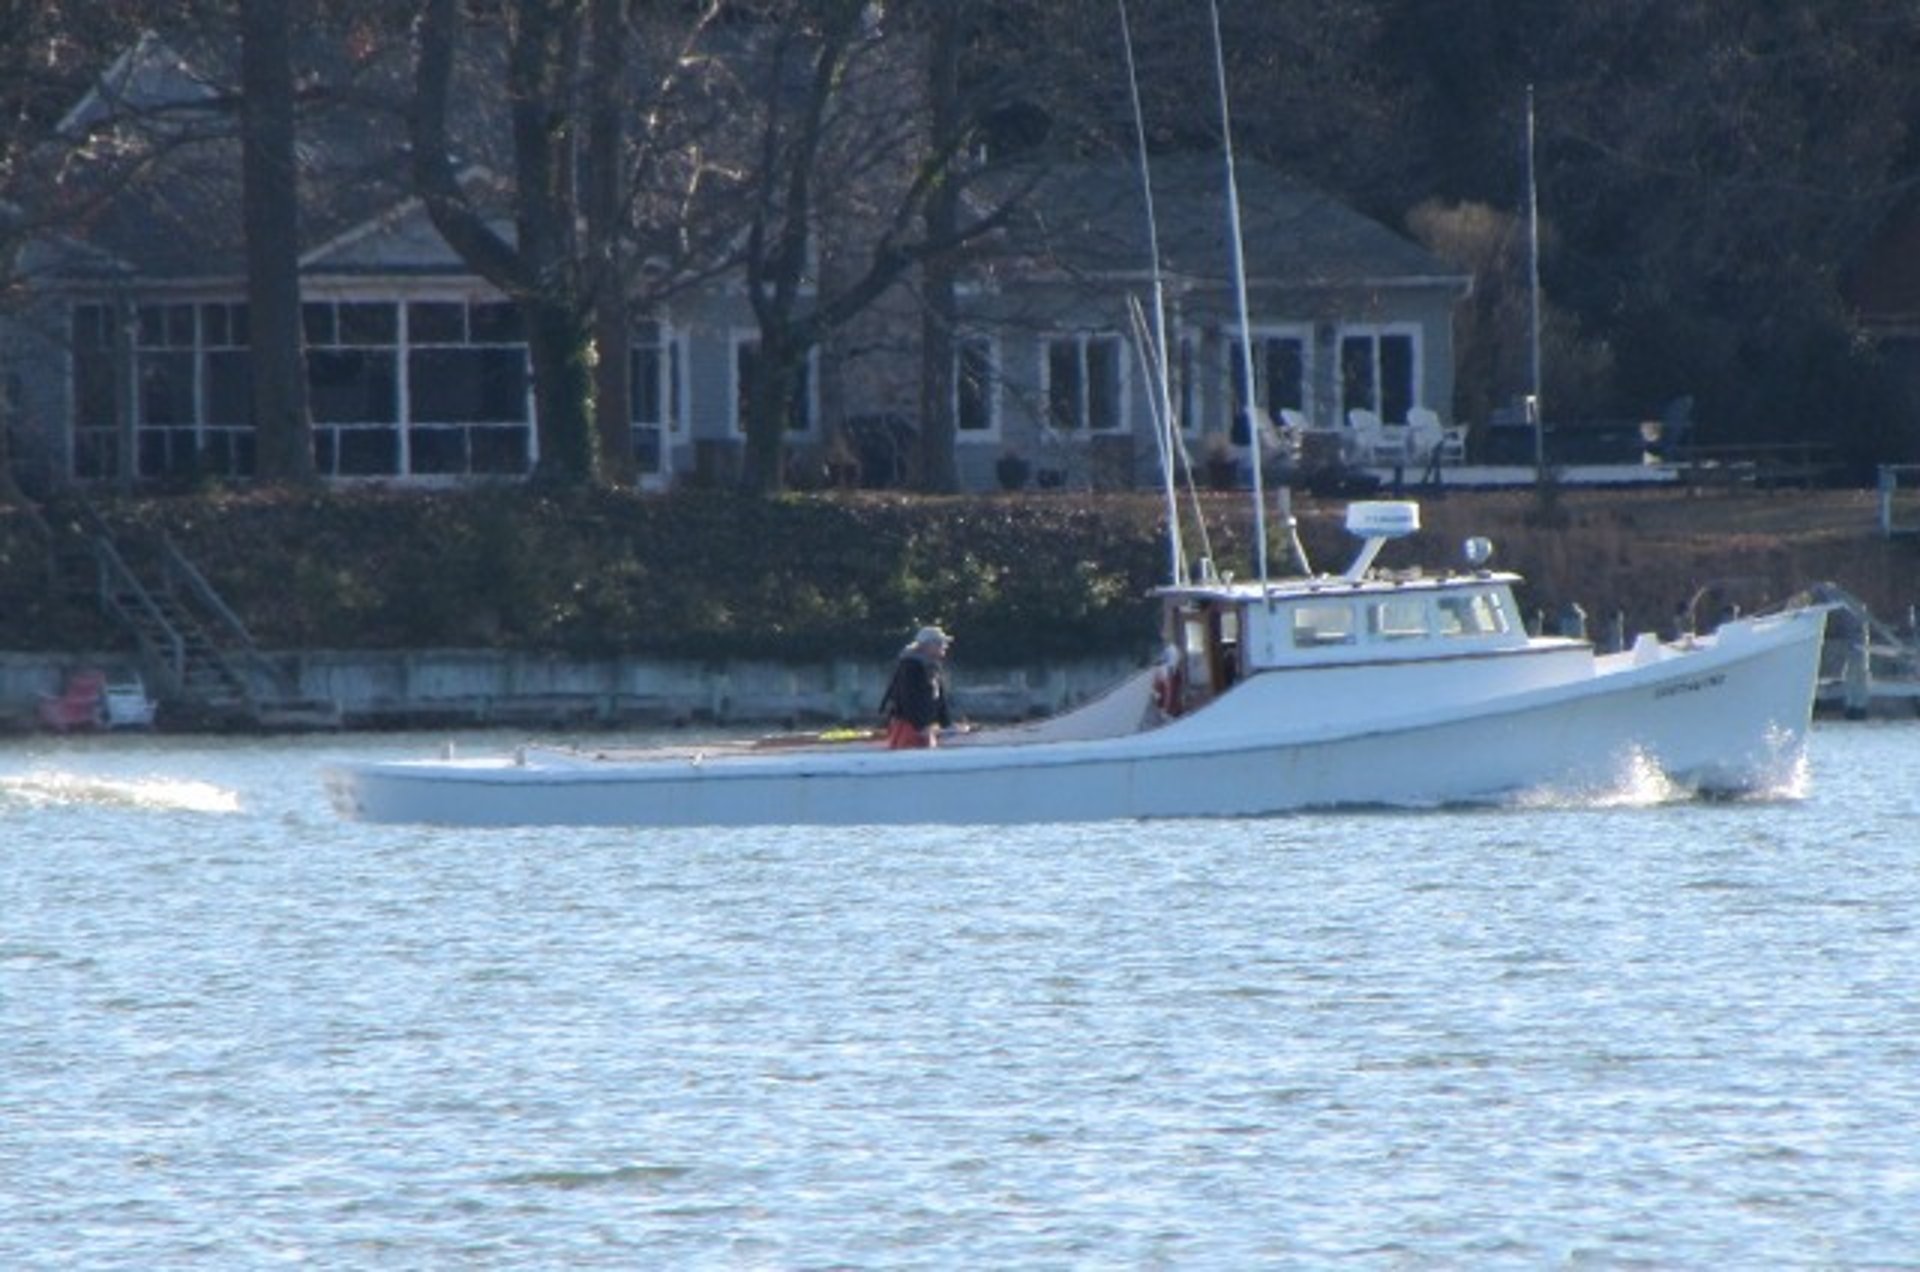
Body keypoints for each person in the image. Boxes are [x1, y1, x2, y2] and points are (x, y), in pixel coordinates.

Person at [879, 625, 954, 748]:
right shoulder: (910, 667)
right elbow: (907, 699)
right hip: (908, 726)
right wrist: (920, 726)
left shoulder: (932, 666)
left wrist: (947, 724)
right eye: (941, 643)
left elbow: (939, 699)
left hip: (924, 727)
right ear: (927, 646)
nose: (945, 646)